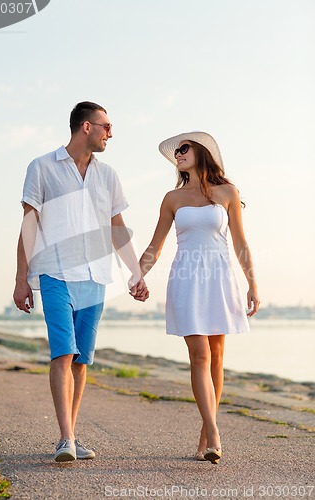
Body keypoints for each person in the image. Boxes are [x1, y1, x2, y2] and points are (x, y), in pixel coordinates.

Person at [13, 101, 149, 462]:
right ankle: (65, 438)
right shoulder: (42, 167)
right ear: (86, 127)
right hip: (55, 272)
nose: (111, 133)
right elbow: (29, 223)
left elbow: (117, 228)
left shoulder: (109, 176)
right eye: (106, 126)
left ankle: (71, 436)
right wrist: (21, 279)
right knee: (63, 352)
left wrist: (135, 272)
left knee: (82, 361)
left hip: (96, 277)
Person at [138, 131, 259, 464]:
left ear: (202, 153)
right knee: (200, 356)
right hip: (188, 277)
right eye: (176, 151)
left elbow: (240, 243)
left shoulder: (227, 193)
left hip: (221, 276)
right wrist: (137, 275)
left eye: (184, 148)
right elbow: (155, 246)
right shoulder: (171, 199)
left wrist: (253, 284)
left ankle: (205, 437)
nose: (178, 154)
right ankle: (215, 432)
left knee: (217, 357)